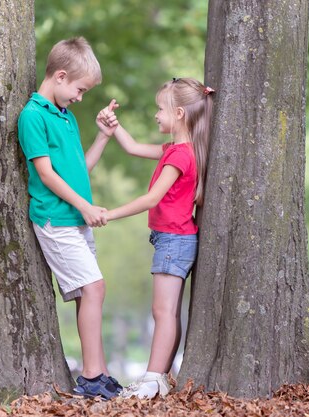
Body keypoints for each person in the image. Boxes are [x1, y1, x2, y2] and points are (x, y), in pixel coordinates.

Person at [17, 37, 122, 400]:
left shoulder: (67, 117)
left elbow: (80, 169)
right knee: (95, 288)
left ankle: (101, 373)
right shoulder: (33, 116)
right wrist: (87, 207)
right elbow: (46, 174)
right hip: (55, 220)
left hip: (74, 220)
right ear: (60, 76)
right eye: (79, 89)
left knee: (87, 293)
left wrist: (104, 137)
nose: (80, 97)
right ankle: (92, 378)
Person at [98, 77, 215, 399]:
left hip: (173, 241)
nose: (155, 115)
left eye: (159, 110)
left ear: (179, 113)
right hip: (174, 240)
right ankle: (159, 375)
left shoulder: (180, 156)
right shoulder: (177, 150)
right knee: (167, 312)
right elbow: (134, 147)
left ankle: (153, 378)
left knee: (162, 313)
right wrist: (114, 126)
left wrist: (109, 214)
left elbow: (151, 199)